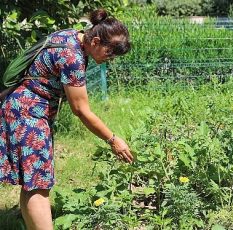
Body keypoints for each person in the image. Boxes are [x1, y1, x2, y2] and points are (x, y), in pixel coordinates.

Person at [0, 9, 134, 229]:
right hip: (29, 116)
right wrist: (113, 140)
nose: (108, 59)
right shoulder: (72, 56)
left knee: (32, 182)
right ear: (96, 41)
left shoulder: (71, 35)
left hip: (21, 109)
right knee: (38, 184)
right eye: (108, 53)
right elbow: (81, 110)